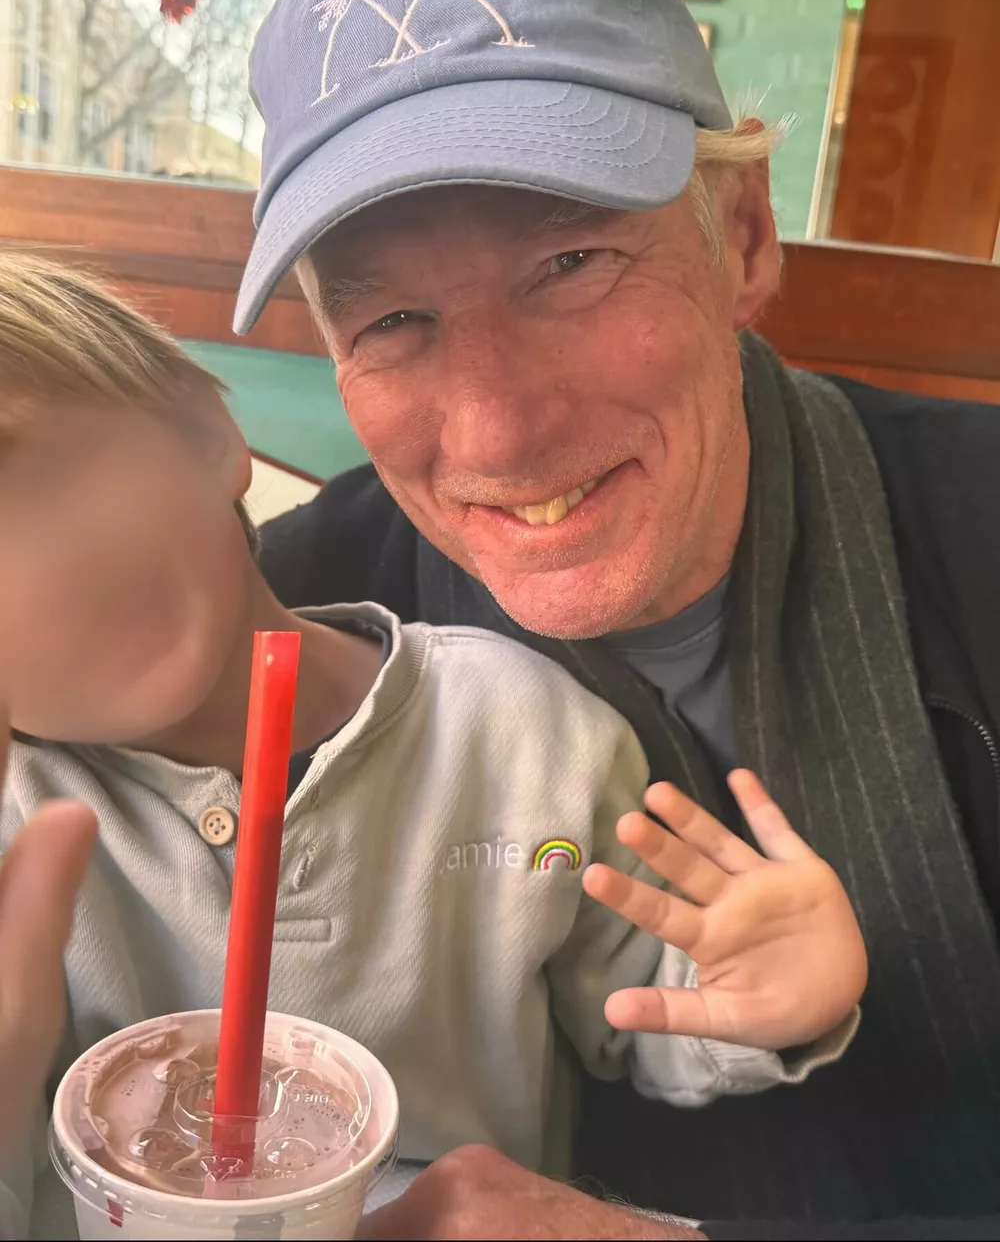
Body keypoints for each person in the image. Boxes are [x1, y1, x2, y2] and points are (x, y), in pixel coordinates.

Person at [234, 0, 1000, 1238]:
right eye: (392, 322)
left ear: (741, 234)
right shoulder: (287, 623)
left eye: (569, 265)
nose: (497, 434)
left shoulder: (973, 528)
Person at [0, 254, 866, 1240]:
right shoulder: (18, 834)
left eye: (48, 481)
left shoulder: (527, 733)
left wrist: (751, 990)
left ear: (206, 437)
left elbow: (636, 1012)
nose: (36, 588)